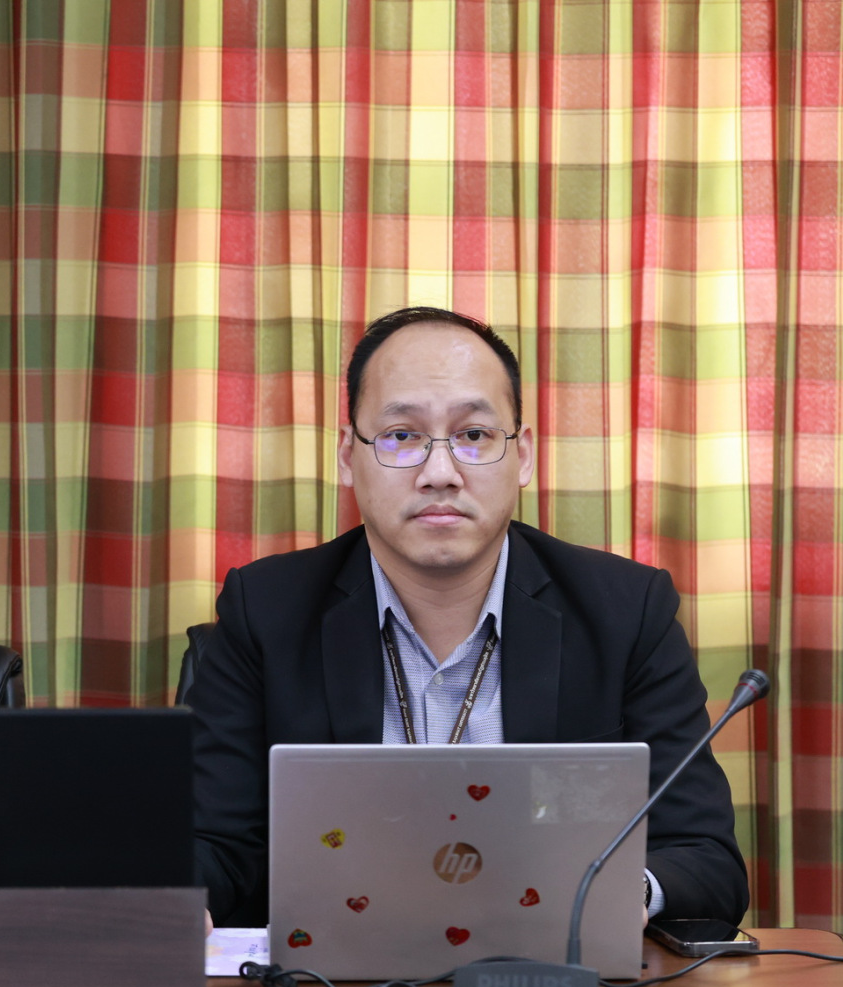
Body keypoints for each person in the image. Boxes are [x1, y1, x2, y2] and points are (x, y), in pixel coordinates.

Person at [188, 307, 749, 929]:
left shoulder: (625, 613)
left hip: (546, 971)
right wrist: (184, 900)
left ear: (522, 456)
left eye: (474, 435)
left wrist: (622, 894)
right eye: (401, 435)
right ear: (349, 456)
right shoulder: (266, 611)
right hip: (328, 974)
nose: (440, 474)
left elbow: (704, 858)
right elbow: (217, 843)